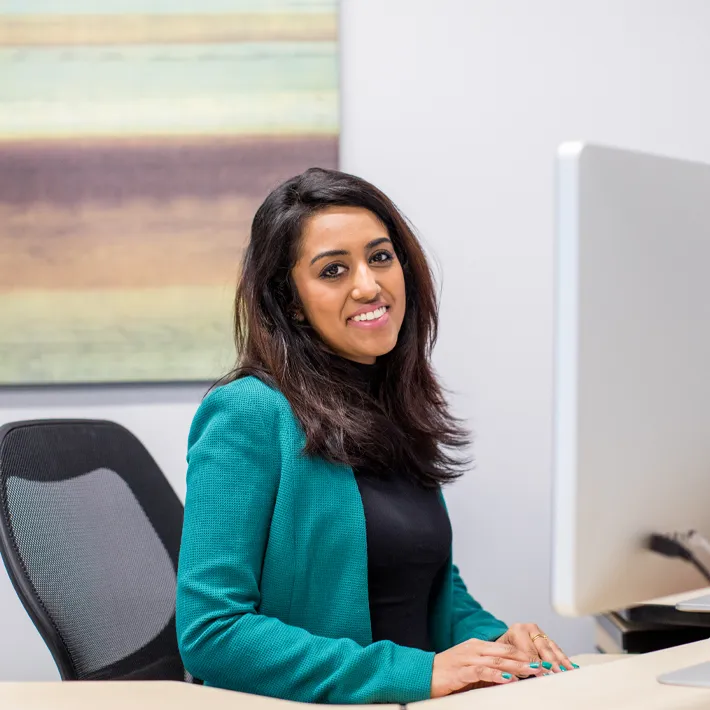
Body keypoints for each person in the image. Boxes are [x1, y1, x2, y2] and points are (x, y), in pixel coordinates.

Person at [175, 168, 577, 704]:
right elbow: (211, 633)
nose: (369, 284)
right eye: (333, 269)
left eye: (380, 257)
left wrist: (496, 646)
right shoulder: (247, 413)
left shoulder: (389, 403)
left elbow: (430, 590)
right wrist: (418, 673)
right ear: (290, 300)